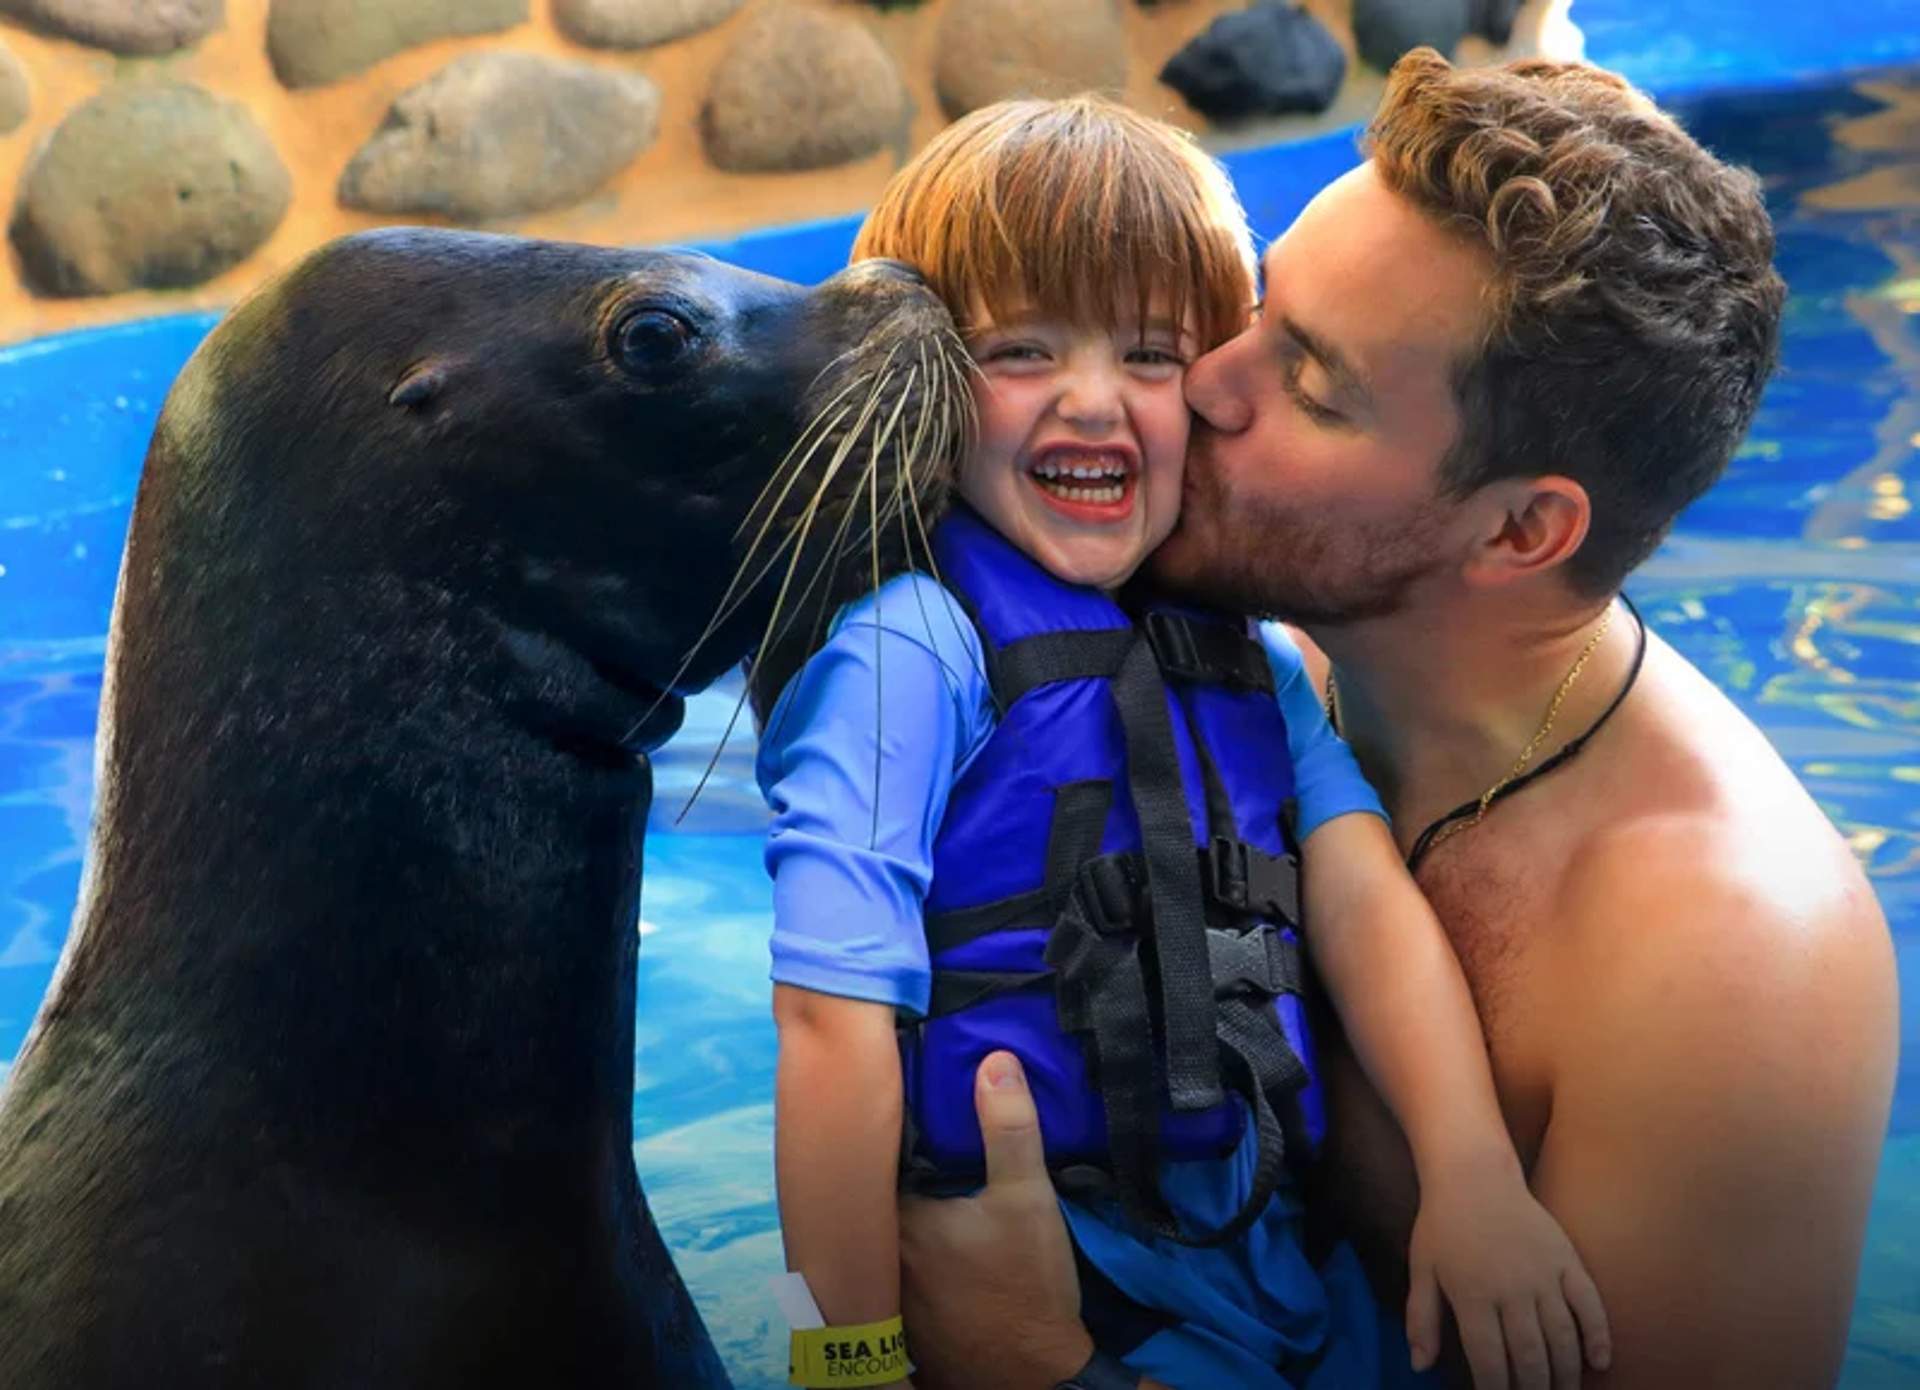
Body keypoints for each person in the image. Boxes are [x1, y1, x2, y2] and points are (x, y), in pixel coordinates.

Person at [892, 50, 1900, 1390]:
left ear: (1522, 530)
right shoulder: (1235, 665)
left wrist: (1037, 1365)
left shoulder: (1719, 961)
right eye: (1256, 310)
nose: (1200, 388)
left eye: (1310, 385)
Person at [755, 95, 1611, 1390]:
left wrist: (1473, 1174)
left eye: (1152, 355)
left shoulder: (1242, 650)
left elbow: (1360, 895)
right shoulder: (913, 653)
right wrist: (850, 1359)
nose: (1093, 401)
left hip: (1266, 1257)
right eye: (1021, 350)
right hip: (1058, 1262)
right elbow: (828, 1023)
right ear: (919, 378)